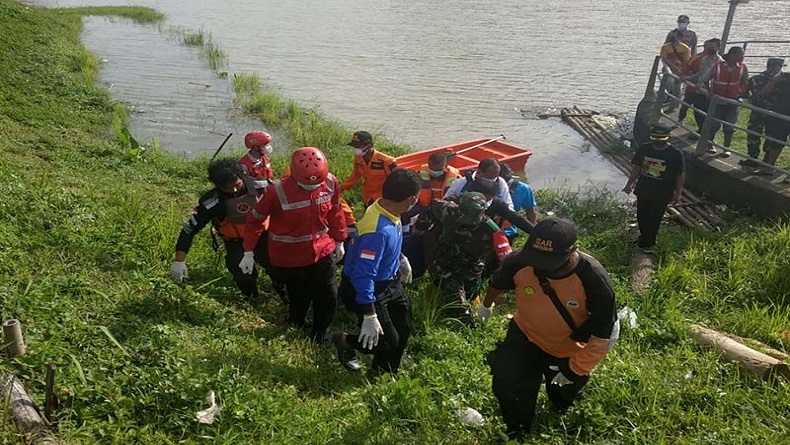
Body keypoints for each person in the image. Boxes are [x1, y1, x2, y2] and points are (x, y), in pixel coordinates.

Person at [478, 218, 618, 440]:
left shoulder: (594, 281)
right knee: (508, 384)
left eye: (549, 262)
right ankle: (517, 428)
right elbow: (497, 283)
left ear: (573, 251)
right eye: (537, 259)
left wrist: (574, 369)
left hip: (567, 347)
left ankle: (561, 403)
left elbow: (601, 337)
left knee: (562, 395)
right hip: (526, 335)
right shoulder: (519, 262)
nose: (540, 267)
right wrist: (486, 306)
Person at [240, 147, 347, 343]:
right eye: (307, 185)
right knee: (299, 296)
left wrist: (340, 240)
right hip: (289, 257)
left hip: (321, 251)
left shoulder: (330, 183)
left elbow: (335, 212)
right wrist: (248, 251)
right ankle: (296, 323)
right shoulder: (277, 191)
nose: (312, 189)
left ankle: (320, 335)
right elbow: (255, 221)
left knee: (328, 295)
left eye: (316, 184)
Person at [334, 169, 421, 375]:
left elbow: (390, 244)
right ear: (411, 199)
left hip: (391, 282)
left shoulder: (388, 208)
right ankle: (344, 340)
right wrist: (369, 314)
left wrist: (400, 258)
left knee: (405, 326)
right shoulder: (377, 231)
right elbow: (362, 276)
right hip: (369, 287)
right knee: (386, 339)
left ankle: (385, 371)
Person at [169, 159, 266, 300]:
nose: (233, 190)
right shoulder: (212, 203)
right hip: (236, 242)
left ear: (242, 176)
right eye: (227, 188)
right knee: (242, 273)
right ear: (216, 185)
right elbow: (189, 229)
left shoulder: (262, 187)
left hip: (263, 236)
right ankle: (252, 298)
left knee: (281, 267)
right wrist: (179, 261)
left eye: (236, 185)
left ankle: (284, 293)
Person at [413, 192, 512, 324]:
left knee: (471, 293)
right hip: (444, 263)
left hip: (470, 268)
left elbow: (508, 261)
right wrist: (421, 226)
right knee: (460, 308)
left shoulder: (493, 231)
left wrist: (502, 289)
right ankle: (469, 321)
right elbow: (432, 206)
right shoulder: (447, 210)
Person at [622, 125, 685, 254]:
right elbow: (637, 167)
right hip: (644, 188)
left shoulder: (675, 154)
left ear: (668, 138)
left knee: (654, 218)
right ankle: (643, 238)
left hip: (663, 192)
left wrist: (678, 193)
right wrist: (629, 184)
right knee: (641, 216)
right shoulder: (644, 149)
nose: (658, 141)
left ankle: (648, 243)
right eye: (656, 138)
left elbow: (680, 174)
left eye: (662, 138)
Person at [700, 46, 749, 155]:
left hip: (733, 101)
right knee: (714, 124)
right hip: (718, 100)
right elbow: (705, 79)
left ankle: (726, 149)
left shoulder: (743, 67)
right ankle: (709, 144)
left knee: (730, 126)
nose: (742, 57)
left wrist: (741, 94)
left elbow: (746, 81)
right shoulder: (717, 66)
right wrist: (710, 92)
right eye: (741, 54)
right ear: (732, 54)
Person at [741, 58, 786, 166]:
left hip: (758, 111)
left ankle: (753, 158)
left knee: (754, 134)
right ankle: (766, 159)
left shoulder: (754, 78)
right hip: (774, 113)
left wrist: (751, 99)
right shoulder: (782, 82)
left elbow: (744, 94)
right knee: (770, 136)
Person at [340, 131, 398, 207]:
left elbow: (396, 181)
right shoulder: (358, 159)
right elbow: (355, 176)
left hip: (383, 199)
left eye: (359, 146)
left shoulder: (386, 161)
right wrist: (341, 188)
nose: (356, 149)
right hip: (368, 197)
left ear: (369, 145)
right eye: (355, 146)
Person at [680, 39, 723, 128]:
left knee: (706, 113)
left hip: (708, 91)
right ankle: (700, 130)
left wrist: (703, 84)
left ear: (718, 48)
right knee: (698, 111)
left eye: (712, 47)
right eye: (708, 47)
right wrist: (688, 78)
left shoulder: (720, 62)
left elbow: (714, 77)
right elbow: (701, 73)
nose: (709, 49)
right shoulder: (704, 59)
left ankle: (703, 132)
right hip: (699, 90)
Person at [444, 158, 514, 209]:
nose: (493, 180)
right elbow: (445, 202)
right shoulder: (460, 183)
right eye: (490, 177)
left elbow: (509, 205)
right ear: (479, 172)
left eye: (496, 176)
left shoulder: (501, 182)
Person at [757, 72, 790, 173]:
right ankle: (769, 168)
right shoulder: (784, 79)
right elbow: (764, 93)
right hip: (782, 115)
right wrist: (776, 79)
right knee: (777, 142)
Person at [498, 163, 537, 242]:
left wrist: (533, 232)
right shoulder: (524, 188)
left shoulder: (524, 189)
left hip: (508, 232)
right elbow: (530, 211)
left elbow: (530, 211)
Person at [660, 34, 692, 112]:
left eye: (677, 38)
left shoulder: (685, 48)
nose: (675, 39)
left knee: (677, 88)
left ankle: (673, 106)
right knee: (667, 85)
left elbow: (686, 60)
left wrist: (683, 71)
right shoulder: (666, 47)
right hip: (668, 70)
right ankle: (663, 101)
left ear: (681, 38)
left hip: (680, 70)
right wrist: (673, 67)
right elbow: (664, 58)